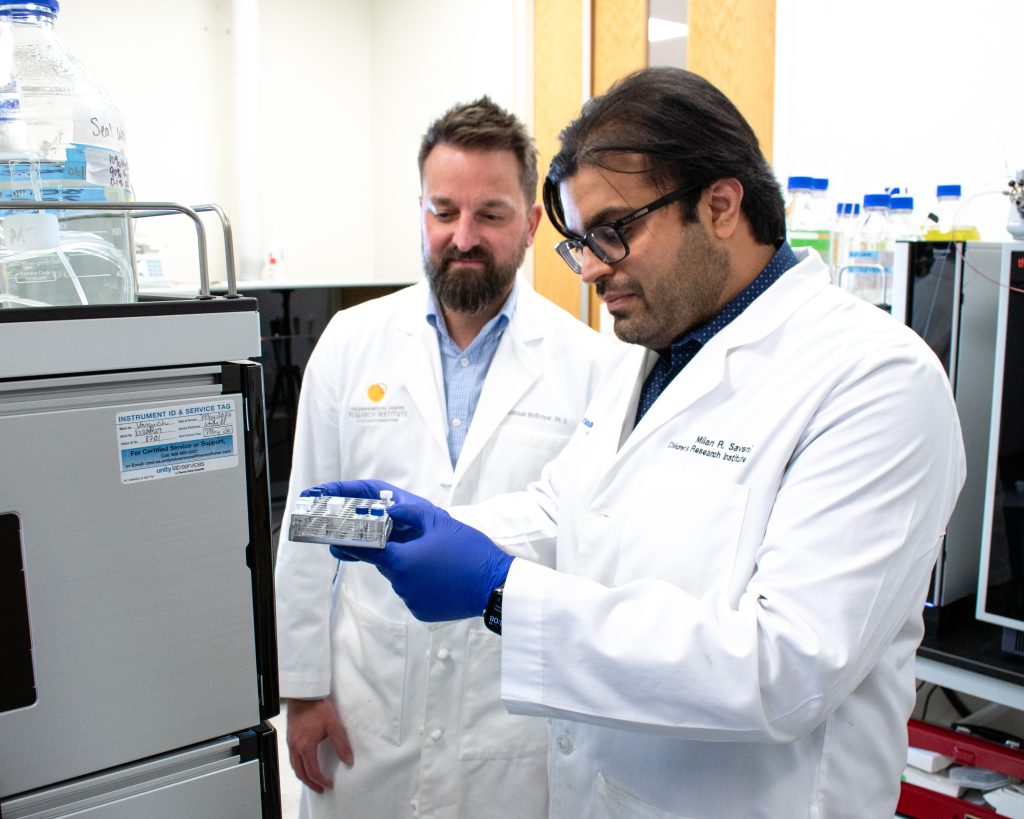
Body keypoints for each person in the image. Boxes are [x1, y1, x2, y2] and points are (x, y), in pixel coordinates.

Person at [314, 68, 967, 817]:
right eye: (580, 242)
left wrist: (500, 588)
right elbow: (569, 513)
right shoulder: (648, 353)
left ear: (720, 205)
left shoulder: (876, 379)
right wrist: (434, 526)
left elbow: (785, 666)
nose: (590, 267)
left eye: (612, 231)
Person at [273, 97, 609, 818]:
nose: (463, 236)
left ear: (531, 221)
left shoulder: (591, 365)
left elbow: (584, 545)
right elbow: (306, 527)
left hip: (509, 716)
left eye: (490, 213)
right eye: (443, 210)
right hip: (366, 706)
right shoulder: (350, 341)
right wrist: (302, 691)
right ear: (420, 210)